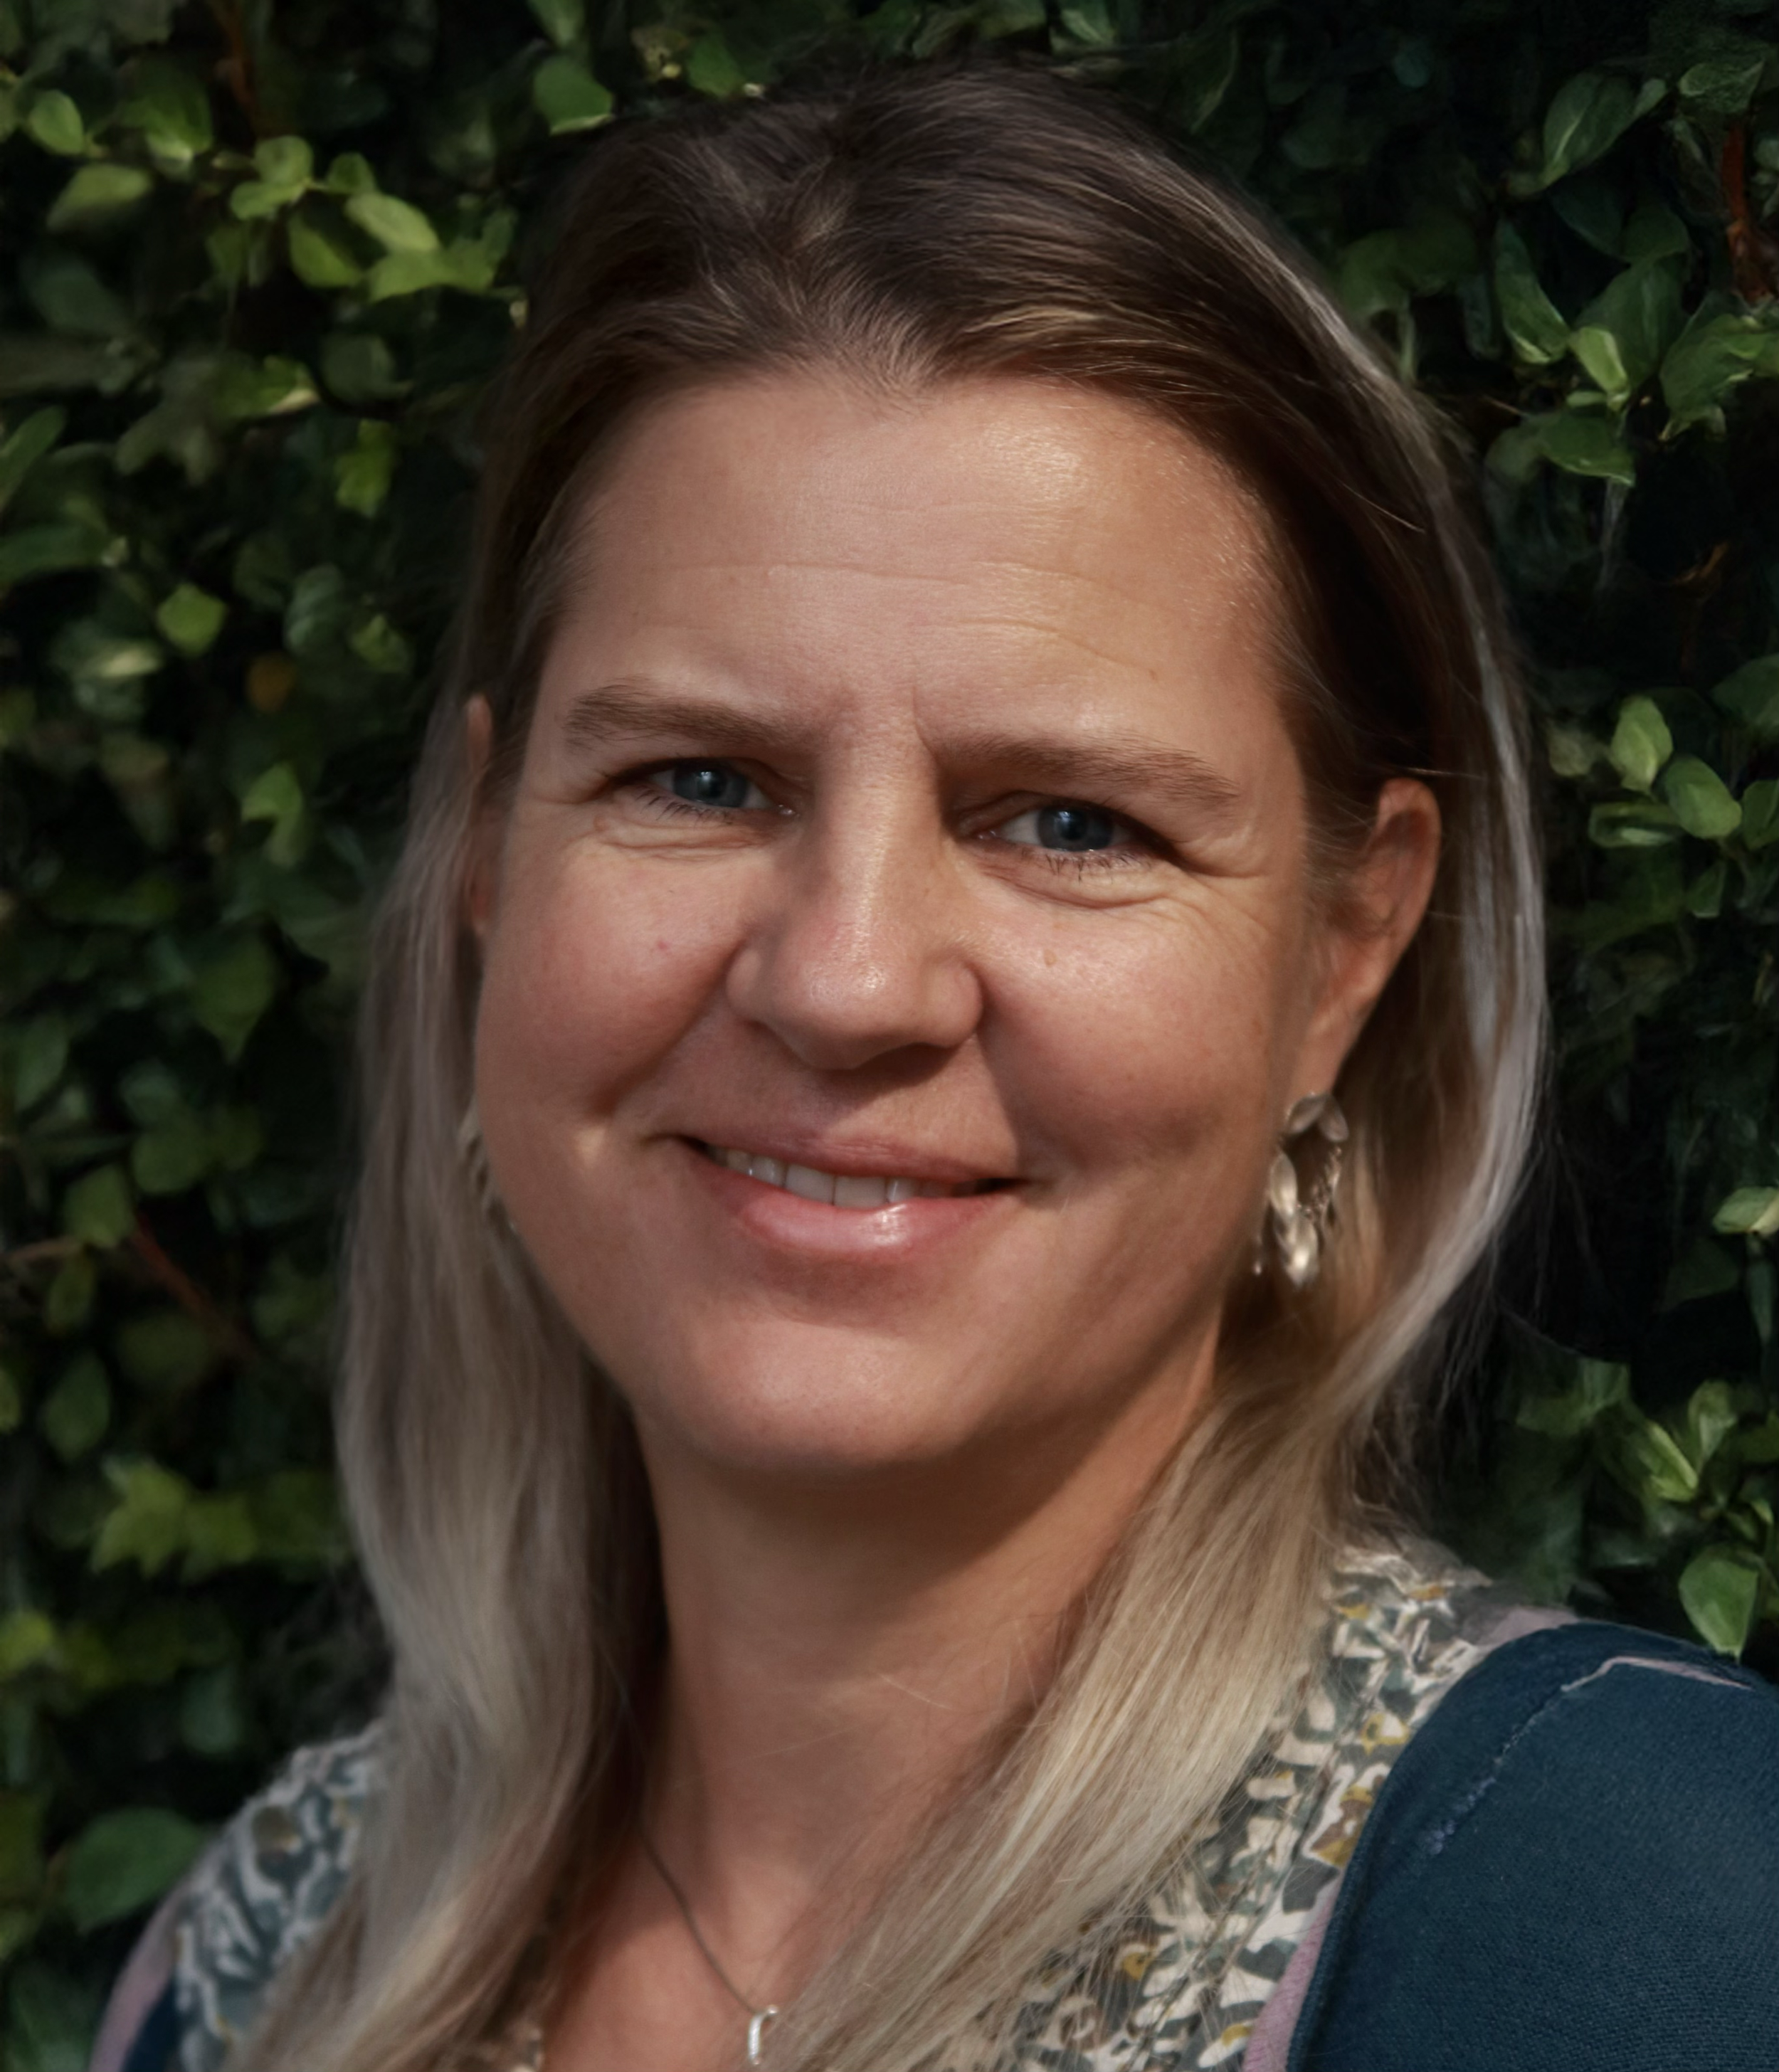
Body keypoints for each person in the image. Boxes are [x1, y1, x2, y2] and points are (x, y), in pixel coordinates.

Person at [91, 58, 1779, 2072]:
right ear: (482, 855)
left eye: (1067, 819)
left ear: (1344, 951)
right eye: (698, 779)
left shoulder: (1650, 1923)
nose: (848, 977)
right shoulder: (258, 1965)